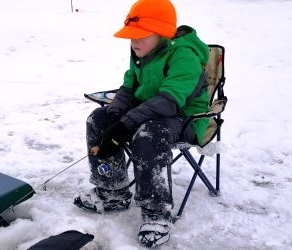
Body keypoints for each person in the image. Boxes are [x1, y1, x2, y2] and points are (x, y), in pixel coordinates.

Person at [73, 0, 210, 247]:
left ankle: (156, 212)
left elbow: (170, 101)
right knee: (98, 118)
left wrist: (126, 124)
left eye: (140, 36)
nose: (134, 42)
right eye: (131, 37)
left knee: (148, 133)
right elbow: (128, 87)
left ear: (163, 34)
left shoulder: (184, 56)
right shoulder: (141, 52)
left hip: (185, 117)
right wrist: (116, 115)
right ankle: (112, 191)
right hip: (149, 110)